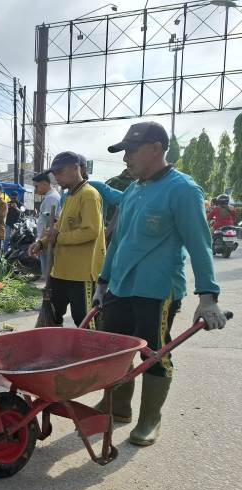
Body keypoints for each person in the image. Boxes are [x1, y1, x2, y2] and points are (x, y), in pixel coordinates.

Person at [91, 121, 227, 445]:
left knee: (154, 353)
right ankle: (119, 407)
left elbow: (200, 244)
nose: (126, 159)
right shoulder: (134, 190)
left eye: (131, 151)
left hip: (157, 291)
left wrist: (207, 297)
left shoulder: (184, 189)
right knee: (115, 350)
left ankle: (150, 419)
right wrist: (103, 282)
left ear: (156, 149)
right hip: (120, 287)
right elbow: (119, 242)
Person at [29, 151, 105, 327]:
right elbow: (59, 231)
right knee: (53, 317)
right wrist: (41, 243)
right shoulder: (69, 196)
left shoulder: (88, 195)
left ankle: (88, 354)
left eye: (60, 173)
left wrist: (59, 236)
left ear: (76, 168)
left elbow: (91, 231)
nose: (57, 178)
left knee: (85, 322)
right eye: (55, 174)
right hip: (61, 272)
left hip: (82, 274)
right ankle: (56, 351)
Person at [31, 172, 61, 281]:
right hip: (47, 240)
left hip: (48, 241)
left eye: (36, 186)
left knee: (48, 274)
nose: (36, 190)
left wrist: (41, 244)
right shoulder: (50, 196)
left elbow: (49, 223)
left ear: (44, 184)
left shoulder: (51, 198)